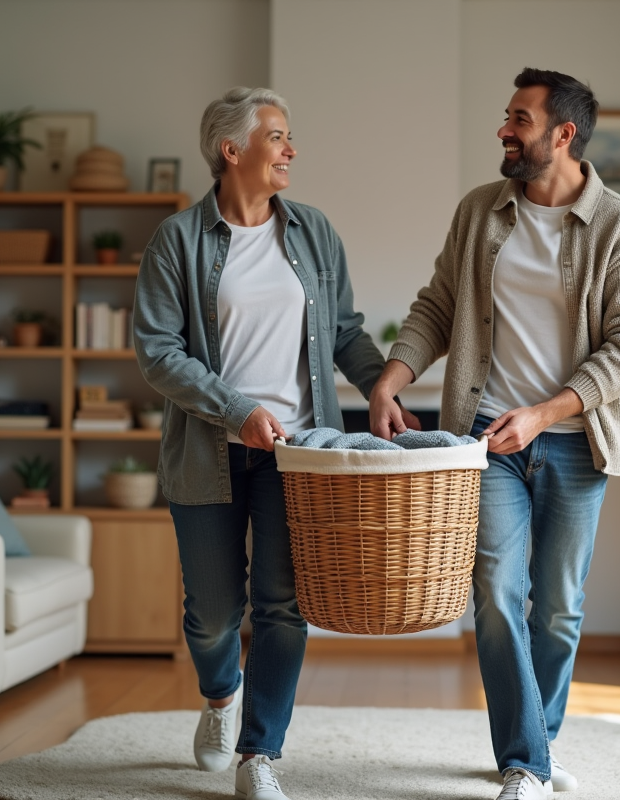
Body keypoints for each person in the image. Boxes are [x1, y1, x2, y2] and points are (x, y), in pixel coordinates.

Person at [370, 68, 620, 800]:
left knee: (558, 606)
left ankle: (539, 739)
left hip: (574, 438)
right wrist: (390, 380)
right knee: (498, 591)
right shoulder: (480, 211)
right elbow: (438, 305)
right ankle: (525, 762)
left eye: (519, 120)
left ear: (563, 134)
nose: (504, 130)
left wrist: (546, 412)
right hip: (484, 437)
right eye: (506, 117)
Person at [134, 87, 407, 800]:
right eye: (277, 136)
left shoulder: (313, 231)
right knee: (213, 612)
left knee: (282, 603)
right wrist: (238, 410)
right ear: (232, 151)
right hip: (209, 451)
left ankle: (260, 755)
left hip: (300, 452)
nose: (291, 149)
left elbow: (344, 332)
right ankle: (220, 695)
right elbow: (158, 352)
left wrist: (381, 388)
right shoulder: (177, 240)